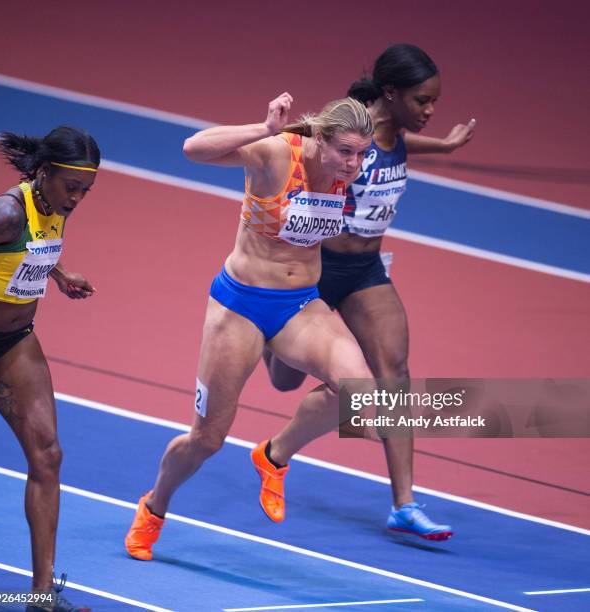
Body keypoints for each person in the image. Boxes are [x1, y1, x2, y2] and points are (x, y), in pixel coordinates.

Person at [125, 93, 375, 560]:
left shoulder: (346, 172)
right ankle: (154, 508)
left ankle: (274, 455)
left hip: (301, 305)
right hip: (240, 306)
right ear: (319, 138)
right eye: (345, 152)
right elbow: (193, 148)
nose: (354, 164)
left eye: (362, 153)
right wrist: (263, 128)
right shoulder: (278, 152)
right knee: (206, 440)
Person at [261, 44, 476, 541]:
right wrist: (267, 139)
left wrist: (442, 145)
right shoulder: (348, 130)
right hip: (314, 267)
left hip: (365, 270)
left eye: (433, 103)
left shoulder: (398, 132)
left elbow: (397, 144)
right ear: (390, 93)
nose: (429, 110)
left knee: (394, 371)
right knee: (283, 382)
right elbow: (298, 143)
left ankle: (404, 503)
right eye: (422, 101)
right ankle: (275, 342)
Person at [0, 126, 99, 611]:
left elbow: (29, 249)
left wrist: (58, 273)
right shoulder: (5, 212)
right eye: (70, 185)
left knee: (47, 457)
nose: (77, 197)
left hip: (11, 343)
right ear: (43, 172)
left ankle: (39, 595)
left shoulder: (53, 207)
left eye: (85, 190)